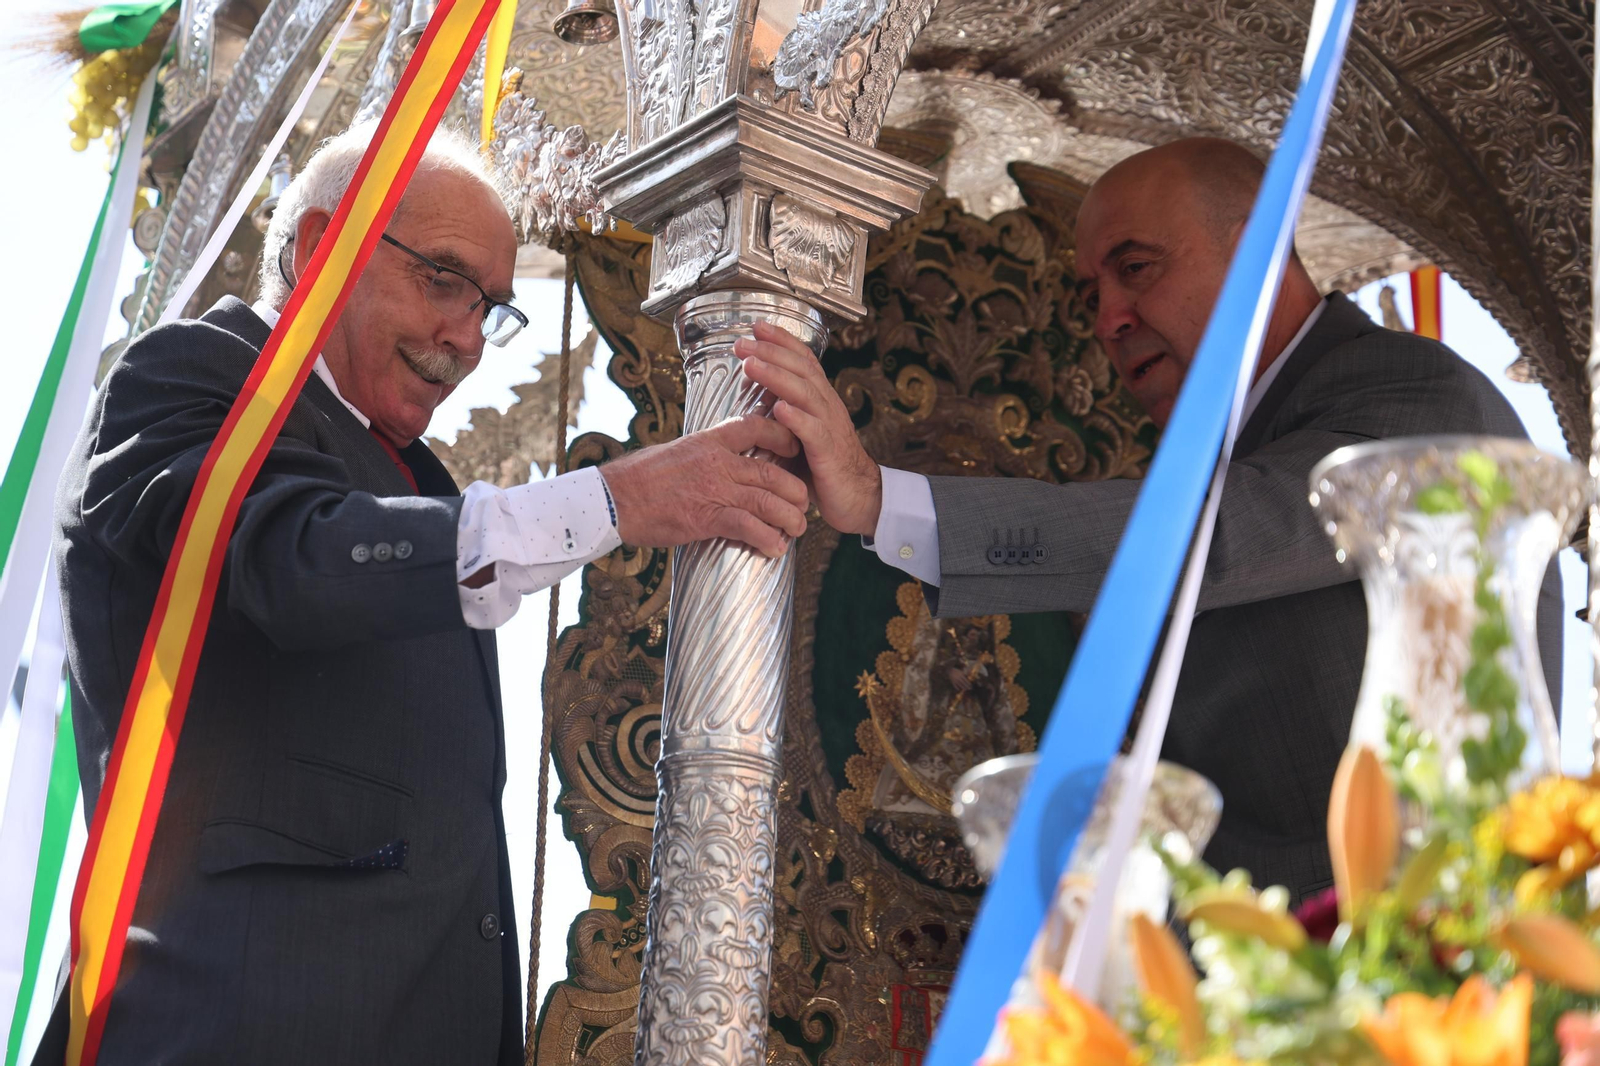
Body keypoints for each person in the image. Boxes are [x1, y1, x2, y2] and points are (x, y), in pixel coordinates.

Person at [40, 122, 809, 1065]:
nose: (467, 340)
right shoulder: (190, 378)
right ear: (324, 247)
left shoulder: (421, 478)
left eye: (491, 308)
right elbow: (292, 561)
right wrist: (622, 498)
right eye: (443, 280)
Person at [736, 137, 1563, 902]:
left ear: (1258, 250)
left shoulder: (1417, 398)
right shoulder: (1234, 445)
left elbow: (1224, 537)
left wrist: (883, 500)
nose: (1109, 321)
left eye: (1138, 269)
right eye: (1093, 292)